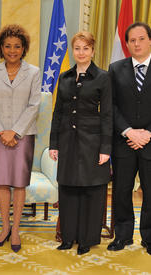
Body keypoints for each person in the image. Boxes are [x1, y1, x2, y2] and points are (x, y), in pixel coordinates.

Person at [49, 31, 112, 255]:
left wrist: (106, 148)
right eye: (77, 48)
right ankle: (68, 237)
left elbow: (107, 115)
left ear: (93, 51)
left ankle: (86, 239)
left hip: (92, 143)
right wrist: (54, 143)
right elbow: (57, 113)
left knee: (90, 189)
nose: (81, 52)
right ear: (73, 51)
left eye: (86, 48)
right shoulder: (65, 77)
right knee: (68, 189)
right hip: (67, 141)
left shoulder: (102, 77)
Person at [0, 24, 41, 253]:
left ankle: (16, 230)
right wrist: (1, 132)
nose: (12, 50)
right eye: (8, 46)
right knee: (3, 182)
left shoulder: (34, 72)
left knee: (19, 183)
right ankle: (4, 228)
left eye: (17, 46)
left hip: (23, 136)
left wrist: (14, 132)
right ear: (1, 48)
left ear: (24, 48)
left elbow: (34, 105)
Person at [107, 22, 151, 255]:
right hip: (123, 142)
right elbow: (110, 105)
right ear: (126, 44)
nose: (137, 44)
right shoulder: (115, 69)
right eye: (132, 40)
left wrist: (147, 133)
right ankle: (122, 236)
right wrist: (129, 131)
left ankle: (149, 237)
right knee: (122, 191)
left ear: (150, 40)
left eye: (141, 39)